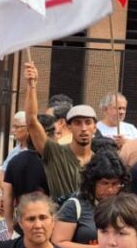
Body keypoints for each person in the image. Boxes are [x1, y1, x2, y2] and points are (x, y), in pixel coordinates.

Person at [24, 62, 93, 201]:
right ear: (68, 126)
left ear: (95, 127)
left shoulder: (100, 159)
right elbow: (31, 121)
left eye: (88, 122)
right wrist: (32, 85)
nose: (83, 128)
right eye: (77, 123)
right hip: (61, 220)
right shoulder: (55, 153)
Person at [52, 152, 128, 248]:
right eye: (104, 183)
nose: (110, 189)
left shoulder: (125, 205)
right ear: (92, 182)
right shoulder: (75, 205)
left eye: (115, 184)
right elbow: (58, 244)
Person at [0, 111, 29, 181]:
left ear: (28, 128)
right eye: (13, 126)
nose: (12, 130)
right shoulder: (14, 151)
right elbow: (2, 174)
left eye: (16, 127)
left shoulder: (35, 151)